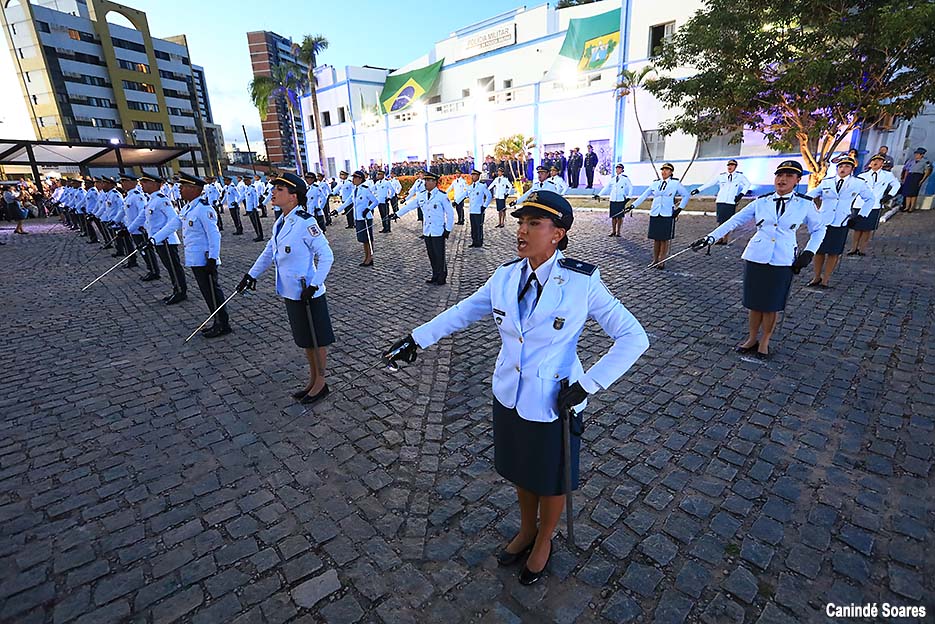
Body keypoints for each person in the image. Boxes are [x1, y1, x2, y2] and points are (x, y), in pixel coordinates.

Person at [384, 190, 649, 585]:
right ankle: (527, 528)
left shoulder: (582, 282)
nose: (521, 231)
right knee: (522, 470)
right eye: (521, 223)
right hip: (509, 394)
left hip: (554, 400)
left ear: (558, 233)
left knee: (552, 476)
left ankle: (545, 538)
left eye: (534, 225)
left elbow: (633, 336)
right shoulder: (505, 276)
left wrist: (588, 384)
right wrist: (416, 339)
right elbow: (463, 312)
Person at [691, 160, 826, 359]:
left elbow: (819, 229)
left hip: (783, 259)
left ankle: (765, 340)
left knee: (772, 304)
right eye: (780, 175)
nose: (783, 179)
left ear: (797, 180)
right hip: (757, 256)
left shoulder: (805, 204)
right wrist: (710, 238)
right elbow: (735, 220)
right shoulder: (761, 201)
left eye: (789, 176)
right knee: (754, 302)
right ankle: (752, 338)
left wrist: (809, 252)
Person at [238, 173, 335, 404]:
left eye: (280, 189)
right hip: (292, 291)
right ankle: (313, 380)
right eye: (275, 189)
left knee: (317, 338)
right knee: (305, 339)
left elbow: (327, 255)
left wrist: (314, 285)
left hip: (308, 291)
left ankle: (321, 383)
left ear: (293, 196)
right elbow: (269, 252)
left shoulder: (305, 222)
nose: (273, 192)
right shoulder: (281, 222)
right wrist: (251, 274)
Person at [152, 172, 230, 337]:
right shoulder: (188, 208)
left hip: (205, 258)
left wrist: (213, 258)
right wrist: (153, 240)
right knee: (206, 292)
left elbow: (214, 235)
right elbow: (173, 224)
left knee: (212, 292)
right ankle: (217, 320)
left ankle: (222, 324)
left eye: (183, 187)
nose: (179, 189)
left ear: (193, 189)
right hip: (195, 258)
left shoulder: (203, 209)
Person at [805, 156, 873, 287]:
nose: (843, 169)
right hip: (823, 220)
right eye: (840, 166)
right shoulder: (827, 182)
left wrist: (861, 216)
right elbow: (811, 195)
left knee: (834, 252)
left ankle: (826, 279)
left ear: (852, 169)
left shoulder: (858, 183)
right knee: (819, 250)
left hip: (841, 221)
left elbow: (870, 199)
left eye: (847, 166)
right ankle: (816, 277)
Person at [394, 171, 455, 284]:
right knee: (431, 255)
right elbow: (410, 207)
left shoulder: (442, 196)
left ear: (434, 182)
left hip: (438, 230)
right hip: (427, 231)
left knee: (439, 255)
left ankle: (442, 276)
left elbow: (450, 214)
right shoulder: (421, 195)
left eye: (428, 180)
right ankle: (435, 275)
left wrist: (448, 229)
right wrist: (397, 214)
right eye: (425, 180)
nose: (425, 182)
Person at [630, 163, 690, 269]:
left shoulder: (675, 183)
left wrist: (679, 209)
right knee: (656, 238)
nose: (664, 172)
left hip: (667, 213)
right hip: (655, 212)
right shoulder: (655, 183)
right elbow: (644, 195)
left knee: (664, 239)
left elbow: (686, 195)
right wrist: (633, 205)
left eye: (667, 170)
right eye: (662, 170)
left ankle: (662, 261)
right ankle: (655, 260)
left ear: (671, 172)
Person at [139, 172, 187, 304]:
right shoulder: (151, 200)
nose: (142, 185)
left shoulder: (162, 200)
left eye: (145, 182)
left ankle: (180, 292)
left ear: (154, 184)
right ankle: (176, 289)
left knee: (173, 267)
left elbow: (173, 219)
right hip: (158, 240)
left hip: (166, 241)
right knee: (169, 267)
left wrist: (161, 236)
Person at [690, 159, 752, 244]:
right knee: (720, 220)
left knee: (729, 221)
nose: (730, 167)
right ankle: (719, 238)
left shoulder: (739, 176)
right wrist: (698, 190)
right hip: (721, 200)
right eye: (729, 165)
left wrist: (741, 194)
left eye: (732, 165)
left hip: (731, 201)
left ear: (735, 167)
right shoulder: (722, 176)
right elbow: (710, 183)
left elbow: (748, 184)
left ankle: (725, 238)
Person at [850, 154, 900, 256]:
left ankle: (862, 249)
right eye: (874, 161)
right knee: (857, 228)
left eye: (879, 161)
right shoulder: (862, 176)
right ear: (870, 163)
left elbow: (896, 184)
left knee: (867, 228)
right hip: (860, 204)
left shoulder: (887, 175)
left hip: (875, 205)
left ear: (882, 163)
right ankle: (853, 248)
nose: (875, 162)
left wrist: (889, 195)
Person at [122, 173, 160, 281]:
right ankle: (151, 269)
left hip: (140, 229)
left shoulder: (137, 196)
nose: (122, 184)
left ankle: (153, 270)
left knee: (146, 251)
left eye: (124, 182)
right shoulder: (129, 196)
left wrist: (141, 226)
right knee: (141, 250)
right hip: (134, 228)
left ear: (131, 183)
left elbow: (142, 212)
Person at [336, 171, 378, 266]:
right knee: (363, 239)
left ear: (360, 179)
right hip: (358, 218)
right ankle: (367, 257)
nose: (353, 180)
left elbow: (375, 201)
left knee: (367, 239)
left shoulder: (365, 190)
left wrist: (368, 209)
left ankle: (370, 258)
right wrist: (337, 211)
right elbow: (347, 202)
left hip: (365, 218)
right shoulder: (355, 190)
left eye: (355, 177)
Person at [594, 163, 633, 237]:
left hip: (620, 199)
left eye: (619, 168)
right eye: (617, 168)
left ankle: (618, 231)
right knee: (613, 216)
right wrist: (599, 194)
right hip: (613, 199)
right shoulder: (613, 179)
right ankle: (613, 231)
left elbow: (630, 187)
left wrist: (629, 197)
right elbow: (606, 187)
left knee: (620, 216)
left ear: (622, 170)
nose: (618, 169)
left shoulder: (625, 179)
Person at [464, 169, 492, 248]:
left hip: (479, 210)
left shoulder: (482, 186)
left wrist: (484, 206)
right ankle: (474, 241)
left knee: (479, 226)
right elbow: (464, 194)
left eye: (475, 175)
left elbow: (489, 196)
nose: (473, 176)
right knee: (473, 227)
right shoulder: (470, 187)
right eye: (472, 175)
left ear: (478, 176)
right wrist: (456, 202)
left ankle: (479, 242)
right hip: (472, 210)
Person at [899, 147, 932, 213]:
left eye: (918, 154)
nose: (916, 155)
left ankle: (912, 207)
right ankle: (907, 207)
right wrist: (905, 178)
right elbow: (907, 170)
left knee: (913, 193)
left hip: (917, 176)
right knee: (907, 192)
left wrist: (922, 180)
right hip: (910, 176)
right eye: (916, 154)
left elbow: (928, 171)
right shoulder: (912, 161)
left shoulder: (925, 162)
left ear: (922, 155)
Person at [242, 174, 263, 242]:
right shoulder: (247, 188)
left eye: (246, 181)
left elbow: (255, 198)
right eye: (244, 181)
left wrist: (255, 207)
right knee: (253, 223)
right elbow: (243, 197)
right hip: (249, 209)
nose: (245, 182)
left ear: (249, 181)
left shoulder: (253, 188)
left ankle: (260, 236)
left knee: (257, 223)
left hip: (253, 209)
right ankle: (258, 235)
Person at [372, 169, 393, 233]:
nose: (378, 176)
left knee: (386, 214)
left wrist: (389, 197)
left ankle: (388, 228)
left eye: (379, 174)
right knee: (382, 215)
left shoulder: (387, 182)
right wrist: (375, 195)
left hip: (385, 201)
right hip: (379, 201)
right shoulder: (377, 183)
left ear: (383, 175)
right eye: (377, 174)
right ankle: (384, 227)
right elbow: (374, 190)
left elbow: (392, 190)